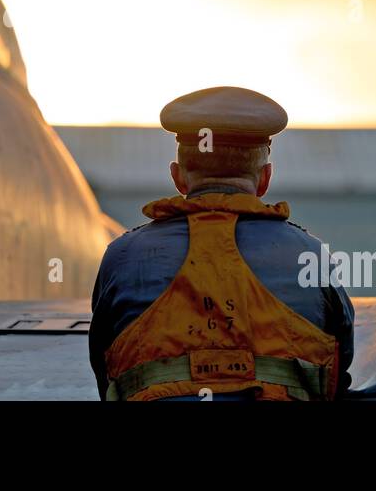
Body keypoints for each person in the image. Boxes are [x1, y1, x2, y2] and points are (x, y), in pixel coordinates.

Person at [88, 86, 354, 400]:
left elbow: (105, 369)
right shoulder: (311, 256)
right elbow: (338, 367)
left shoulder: (121, 257)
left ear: (178, 177)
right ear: (265, 178)